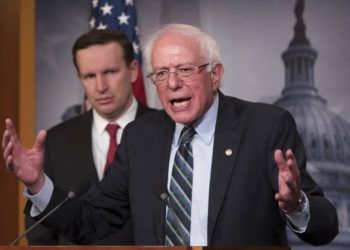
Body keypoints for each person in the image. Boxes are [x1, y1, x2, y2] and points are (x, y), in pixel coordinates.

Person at [2, 24, 338, 246]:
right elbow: (91, 221)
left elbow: (326, 226)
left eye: (185, 69)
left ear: (215, 75)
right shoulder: (140, 138)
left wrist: (297, 206)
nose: (172, 83)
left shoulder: (266, 126)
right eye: (161, 73)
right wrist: (38, 185)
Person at [24, 30, 156, 245]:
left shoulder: (166, 131)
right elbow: (41, 233)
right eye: (89, 76)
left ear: (133, 71)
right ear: (80, 79)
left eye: (110, 72)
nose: (101, 87)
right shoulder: (55, 141)